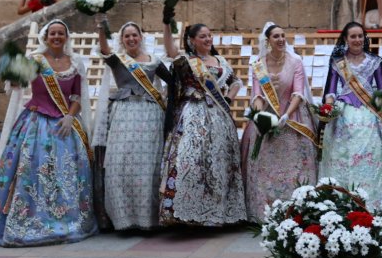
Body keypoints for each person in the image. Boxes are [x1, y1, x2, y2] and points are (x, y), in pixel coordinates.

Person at [0, 19, 97, 246]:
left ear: (66, 37)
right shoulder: (34, 60)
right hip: (35, 124)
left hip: (64, 125)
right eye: (52, 33)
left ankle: (69, 218)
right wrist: (11, 70)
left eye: (60, 33)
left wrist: (70, 116)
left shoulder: (75, 63)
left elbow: (77, 97)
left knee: (67, 172)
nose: (56, 37)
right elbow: (16, 85)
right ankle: (28, 220)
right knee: (32, 169)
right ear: (45, 37)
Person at [159, 23, 247, 226]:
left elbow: (235, 82)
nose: (208, 39)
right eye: (202, 36)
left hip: (219, 118)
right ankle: (189, 212)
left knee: (218, 162)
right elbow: (171, 51)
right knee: (190, 160)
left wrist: (229, 99)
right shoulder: (187, 61)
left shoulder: (220, 61)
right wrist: (166, 24)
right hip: (192, 115)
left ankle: (218, 213)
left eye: (209, 35)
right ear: (192, 40)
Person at [91, 17, 172, 231]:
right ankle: (123, 219)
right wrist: (101, 28)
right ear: (122, 40)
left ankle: (149, 219)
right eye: (127, 36)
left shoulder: (153, 60)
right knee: (121, 164)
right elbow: (104, 49)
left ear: (141, 37)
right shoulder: (117, 59)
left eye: (134, 35)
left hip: (150, 115)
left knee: (148, 166)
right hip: (123, 113)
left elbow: (173, 80)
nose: (131, 38)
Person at [241, 23, 318, 222]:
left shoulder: (295, 62)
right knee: (263, 164)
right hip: (268, 116)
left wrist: (286, 115)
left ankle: (296, 211)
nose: (281, 39)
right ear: (268, 41)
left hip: (292, 116)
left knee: (294, 164)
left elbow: (298, 92)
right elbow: (257, 94)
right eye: (276, 36)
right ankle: (264, 212)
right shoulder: (258, 64)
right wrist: (258, 115)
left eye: (283, 35)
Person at [320, 22, 382, 211]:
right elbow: (330, 90)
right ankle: (342, 203)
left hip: (370, 114)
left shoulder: (374, 61)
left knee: (375, 154)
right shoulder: (338, 62)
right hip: (344, 115)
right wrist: (328, 108)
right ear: (346, 39)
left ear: (365, 38)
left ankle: (373, 203)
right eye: (353, 36)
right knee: (342, 155)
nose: (357, 40)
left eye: (360, 36)